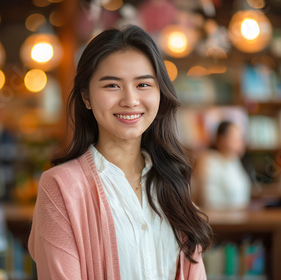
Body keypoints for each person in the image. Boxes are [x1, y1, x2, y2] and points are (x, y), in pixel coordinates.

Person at [28, 25, 212, 279]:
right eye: (112, 85)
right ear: (86, 97)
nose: (130, 100)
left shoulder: (172, 182)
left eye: (143, 85)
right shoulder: (60, 187)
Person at [192, 121, 252, 211]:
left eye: (240, 138)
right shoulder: (208, 162)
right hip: (220, 220)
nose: (240, 143)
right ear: (221, 139)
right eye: (234, 138)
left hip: (239, 216)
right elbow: (209, 201)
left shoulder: (234, 161)